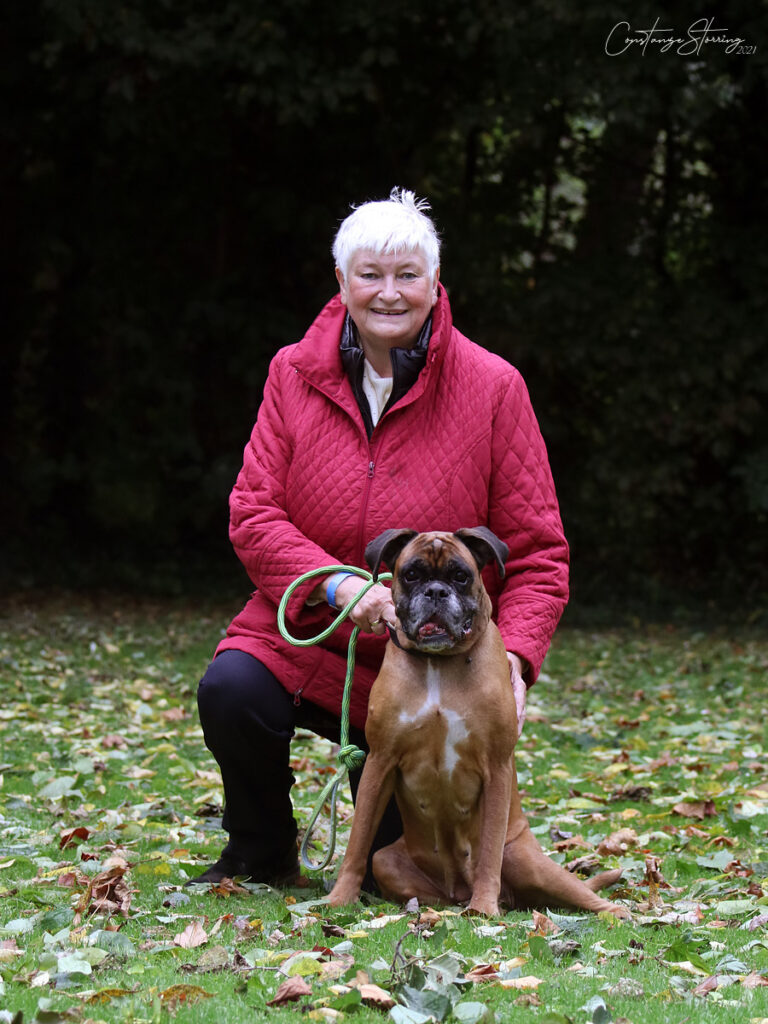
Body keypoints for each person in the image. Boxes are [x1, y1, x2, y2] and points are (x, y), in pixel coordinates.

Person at [191, 188, 569, 886]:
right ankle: (261, 847)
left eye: (407, 276)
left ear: (434, 284)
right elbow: (253, 511)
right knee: (231, 688)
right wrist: (338, 584)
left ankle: (399, 833)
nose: (388, 293)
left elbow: (541, 553)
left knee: (400, 867)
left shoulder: (494, 386)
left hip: (435, 675)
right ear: (341, 282)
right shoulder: (291, 373)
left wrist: (514, 656)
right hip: (306, 637)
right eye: (370, 274)